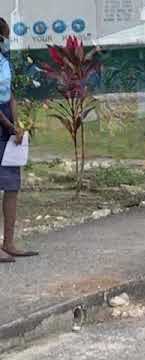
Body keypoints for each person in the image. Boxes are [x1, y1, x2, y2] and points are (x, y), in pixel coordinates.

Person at [0, 18, 38, 262]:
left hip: (8, 124)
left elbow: (9, 94)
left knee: (12, 185)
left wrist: (18, 125)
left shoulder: (4, 61)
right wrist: (10, 126)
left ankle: (9, 242)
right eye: (4, 36)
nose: (6, 42)